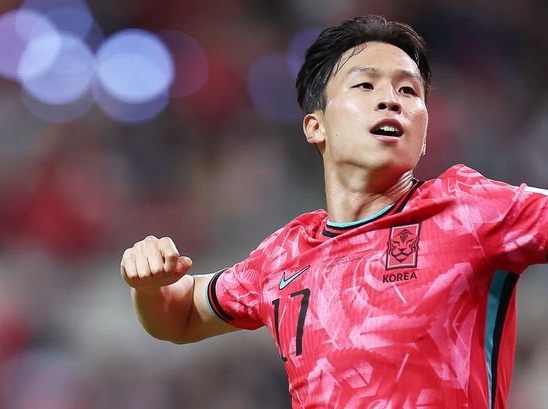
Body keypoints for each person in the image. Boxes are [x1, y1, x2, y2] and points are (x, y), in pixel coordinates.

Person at [119, 14, 548, 408]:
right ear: (316, 126)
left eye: (408, 90)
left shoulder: (467, 208)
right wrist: (148, 284)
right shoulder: (284, 255)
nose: (391, 100)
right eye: (366, 85)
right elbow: (180, 316)